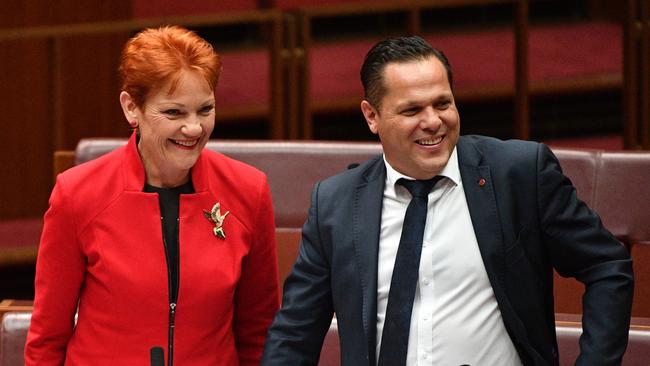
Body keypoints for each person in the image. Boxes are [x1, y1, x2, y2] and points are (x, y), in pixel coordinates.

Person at [262, 36, 633, 365]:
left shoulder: (519, 174)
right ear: (372, 116)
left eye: (443, 104)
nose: (433, 122)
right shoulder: (336, 203)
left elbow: (606, 265)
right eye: (412, 110)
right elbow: (296, 331)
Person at [25, 25, 279, 365]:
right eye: (174, 112)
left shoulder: (249, 191)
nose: (194, 128)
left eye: (205, 110)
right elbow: (47, 339)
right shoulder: (77, 194)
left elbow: (258, 333)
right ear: (132, 108)